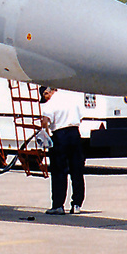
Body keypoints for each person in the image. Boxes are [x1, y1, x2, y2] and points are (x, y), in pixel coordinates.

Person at [39, 86, 85, 215]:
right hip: (75, 134)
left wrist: (45, 133)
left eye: (45, 96)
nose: (45, 98)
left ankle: (58, 205)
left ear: (47, 92)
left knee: (59, 171)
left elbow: (45, 121)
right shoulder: (72, 97)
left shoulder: (51, 103)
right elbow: (81, 117)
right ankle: (77, 204)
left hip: (60, 136)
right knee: (77, 171)